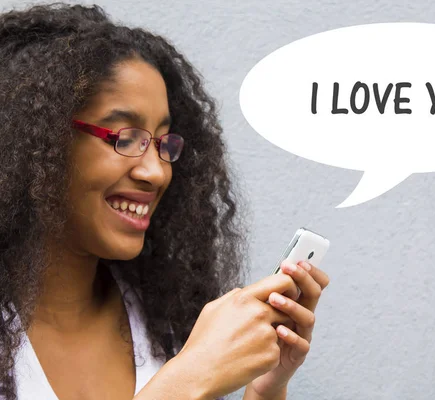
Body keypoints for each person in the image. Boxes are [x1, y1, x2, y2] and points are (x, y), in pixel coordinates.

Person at [0, 3, 330, 400]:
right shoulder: (188, 364)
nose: (157, 172)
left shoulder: (160, 321)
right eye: (125, 137)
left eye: (163, 143)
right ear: (38, 140)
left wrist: (265, 388)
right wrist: (185, 382)